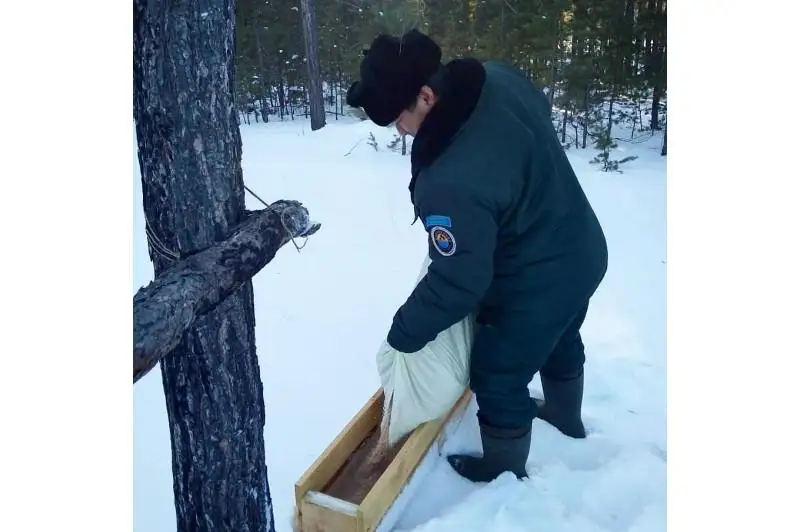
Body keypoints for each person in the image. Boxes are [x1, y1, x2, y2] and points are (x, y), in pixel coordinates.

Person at [346, 29, 609, 483]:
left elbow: (460, 280)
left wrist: (404, 334)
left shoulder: (452, 178)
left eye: (399, 119)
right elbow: (537, 113)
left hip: (538, 274)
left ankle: (503, 476)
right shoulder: (495, 78)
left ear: (427, 95)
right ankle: (567, 420)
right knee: (560, 332)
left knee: (498, 371)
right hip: (581, 246)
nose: (401, 132)